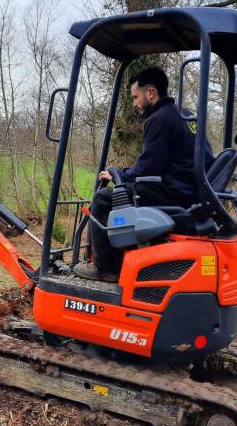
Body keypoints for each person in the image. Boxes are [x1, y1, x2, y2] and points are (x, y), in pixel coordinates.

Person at [73, 66, 214, 283]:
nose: (135, 103)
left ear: (150, 93)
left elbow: (148, 168)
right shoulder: (184, 114)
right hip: (189, 190)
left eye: (135, 97)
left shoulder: (159, 119)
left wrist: (118, 174)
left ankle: (107, 268)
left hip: (173, 192)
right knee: (122, 193)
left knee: (103, 199)